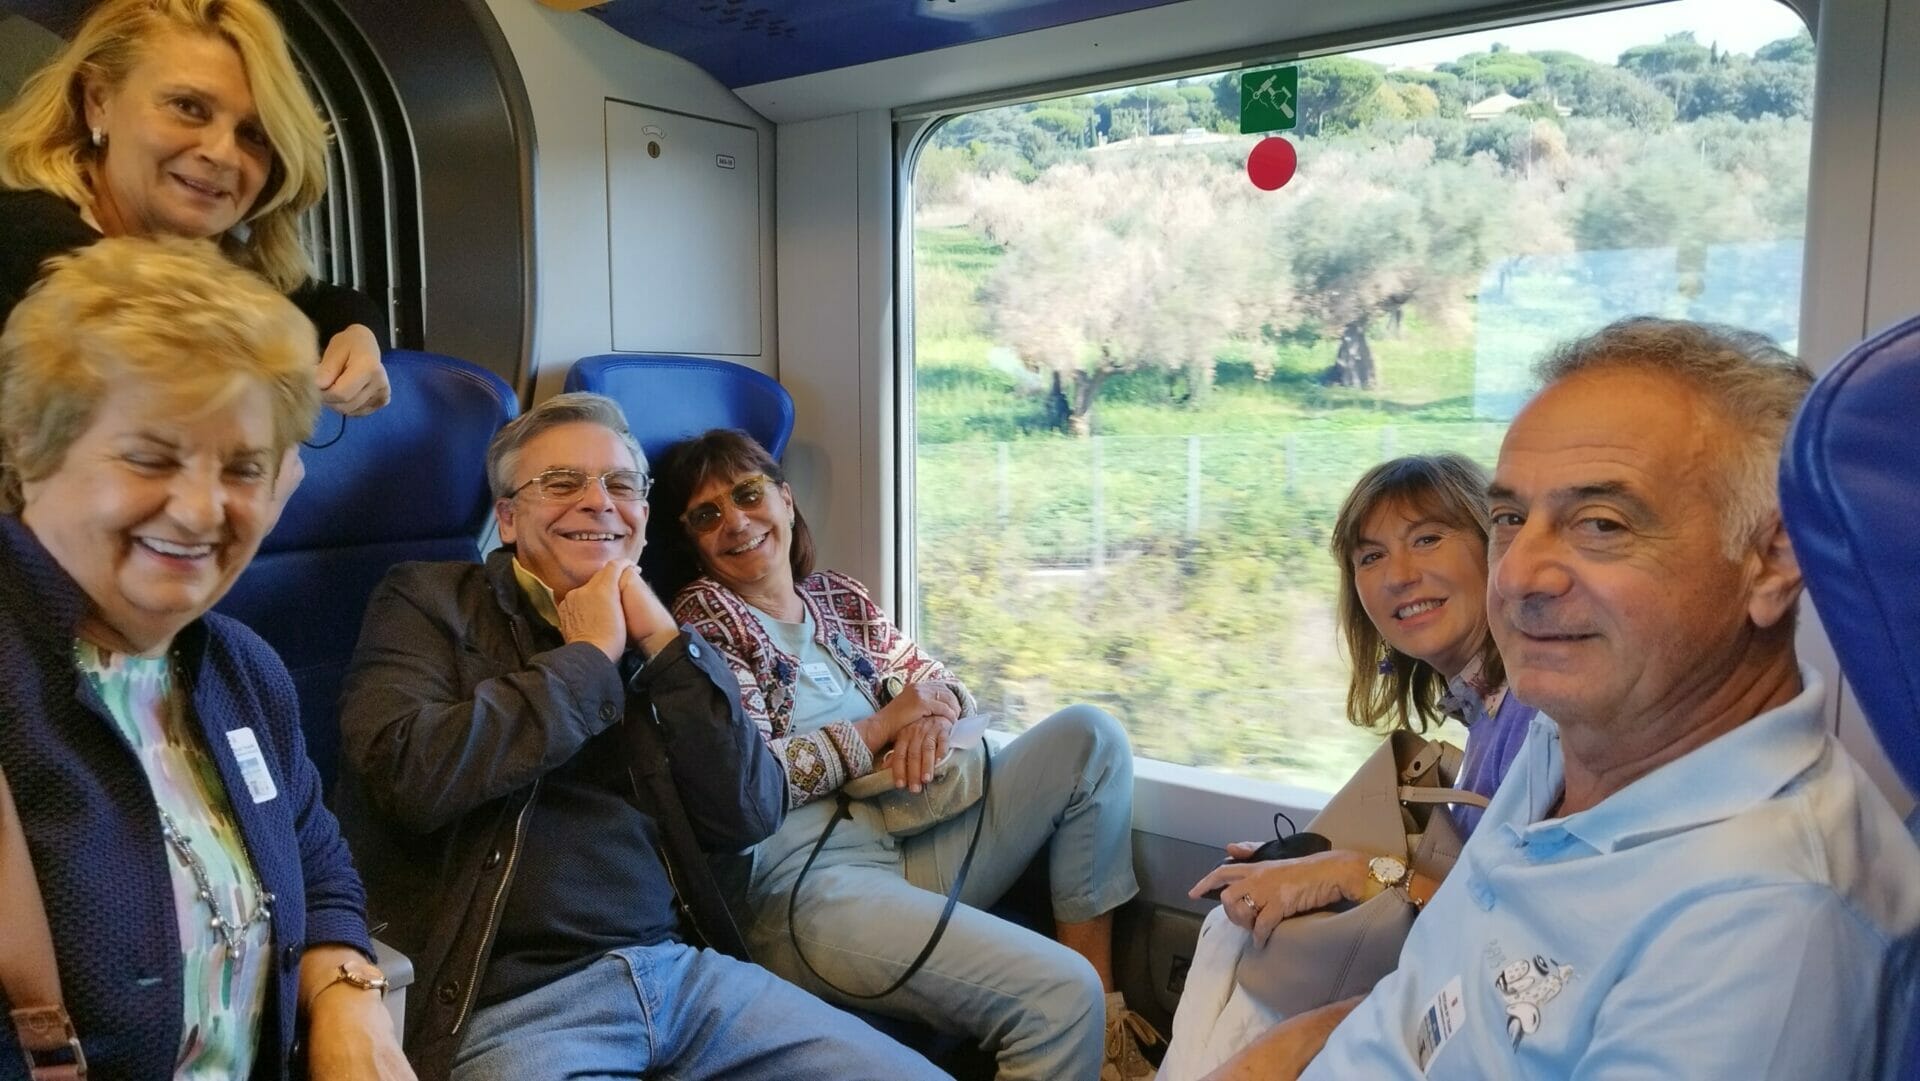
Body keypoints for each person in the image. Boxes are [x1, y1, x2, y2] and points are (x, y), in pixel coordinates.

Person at [1205, 318, 1920, 1080]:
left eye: (1601, 523)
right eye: (1511, 519)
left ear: (1771, 559)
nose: (1517, 574)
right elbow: (1441, 999)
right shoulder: (1566, 740)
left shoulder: (1763, 921)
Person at [334, 393, 947, 1081]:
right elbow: (406, 774)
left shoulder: (662, 632)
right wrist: (588, 659)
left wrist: (666, 646)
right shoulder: (428, 600)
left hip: (683, 977)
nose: (599, 501)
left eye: (621, 484)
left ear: (644, 519)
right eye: (561, 483)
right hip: (514, 1007)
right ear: (507, 518)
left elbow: (747, 810)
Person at [0, 236, 409, 1078]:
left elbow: (313, 855)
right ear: (31, 451)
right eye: (148, 455)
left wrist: (348, 998)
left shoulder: (238, 668)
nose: (198, 510)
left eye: (243, 468)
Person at [655, 428, 1159, 1081]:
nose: (735, 521)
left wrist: (931, 717)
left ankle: (1108, 1037)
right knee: (1059, 997)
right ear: (692, 541)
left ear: (784, 499)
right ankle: (1082, 1021)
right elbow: (755, 778)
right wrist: (883, 724)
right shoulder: (704, 619)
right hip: (806, 887)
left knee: (1091, 736)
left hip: (908, 830)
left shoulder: (838, 598)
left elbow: (939, 680)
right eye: (707, 515)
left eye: (748, 494)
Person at [1159, 454, 1539, 1080]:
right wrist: (1304, 866)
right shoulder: (1487, 716)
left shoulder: (1534, 718)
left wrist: (1354, 873)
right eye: (1371, 557)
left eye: (1427, 539)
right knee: (1233, 930)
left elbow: (1510, 944)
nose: (1399, 576)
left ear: (1496, 546)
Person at [0, 0, 390, 420]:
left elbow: (318, 301)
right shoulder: (20, 245)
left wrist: (357, 334)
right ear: (99, 101)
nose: (223, 154)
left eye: (254, 134)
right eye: (188, 107)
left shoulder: (219, 264)